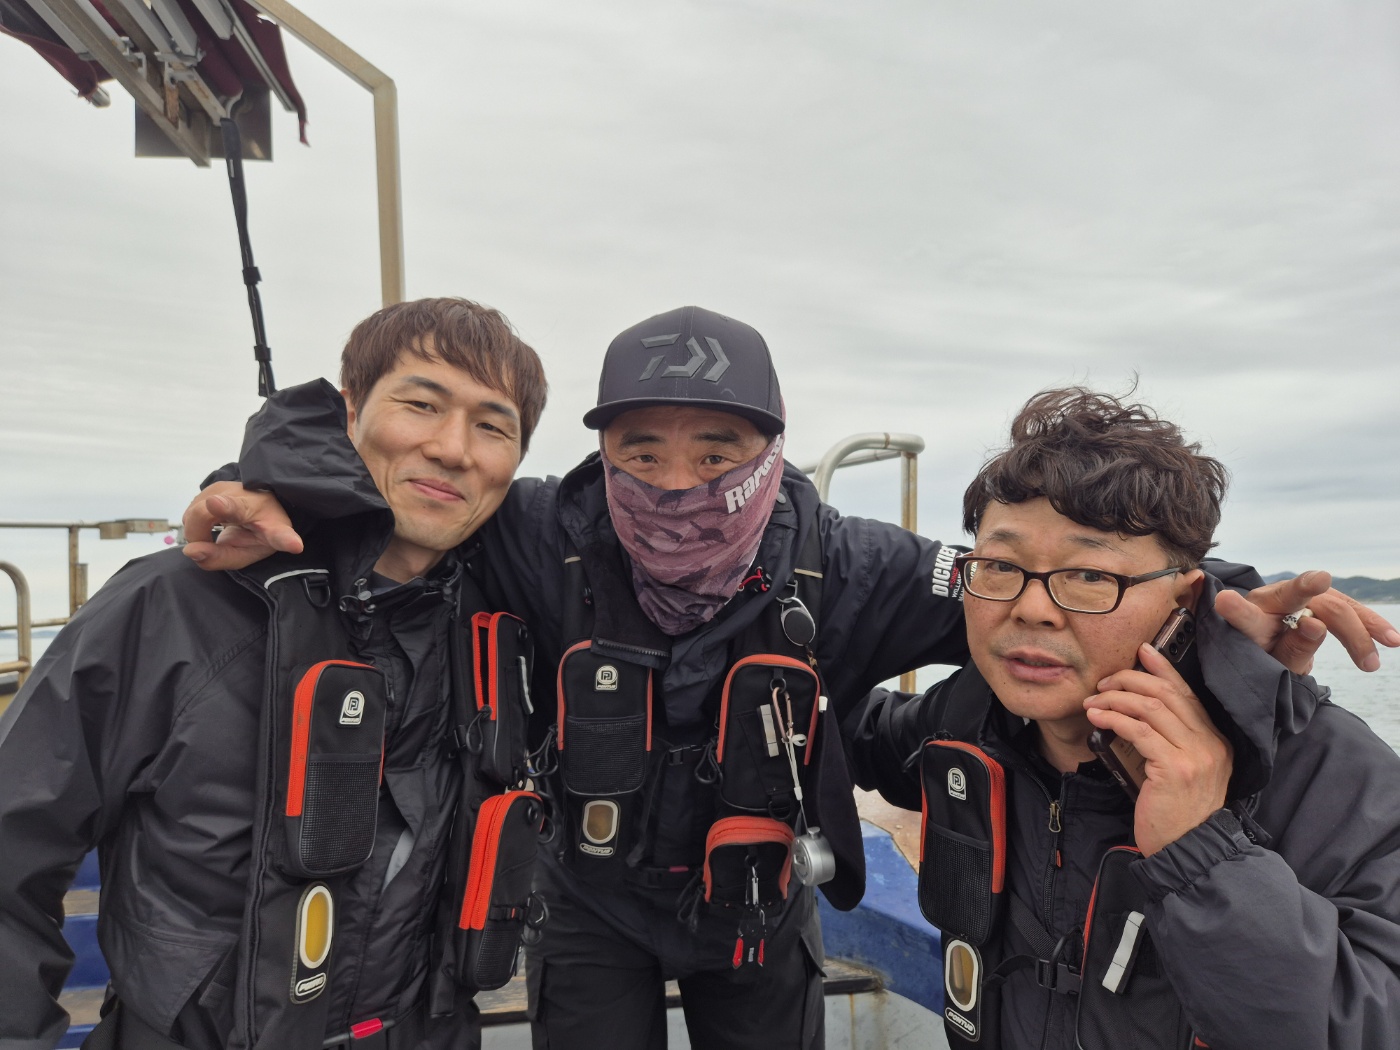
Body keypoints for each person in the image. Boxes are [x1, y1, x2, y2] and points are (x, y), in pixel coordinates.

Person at [180, 307, 1396, 1050]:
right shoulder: (536, 531)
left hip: (761, 906)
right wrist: (262, 481)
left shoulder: (857, 564)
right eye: (640, 451)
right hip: (586, 901)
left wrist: (1222, 597)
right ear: (598, 452)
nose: (675, 484)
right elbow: (405, 483)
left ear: (770, 450)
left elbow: (1064, 577)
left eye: (716, 451)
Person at [0, 297, 549, 1050]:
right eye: (421, 404)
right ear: (349, 411)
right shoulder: (174, 603)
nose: (454, 448)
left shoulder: (501, 628)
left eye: (492, 425)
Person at [849, 388, 1400, 1050]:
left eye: (1088, 575)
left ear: (1186, 598)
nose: (1032, 609)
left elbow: (1369, 1025)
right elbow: (862, 734)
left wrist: (1202, 850)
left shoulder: (1329, 773)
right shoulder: (972, 718)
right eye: (999, 566)